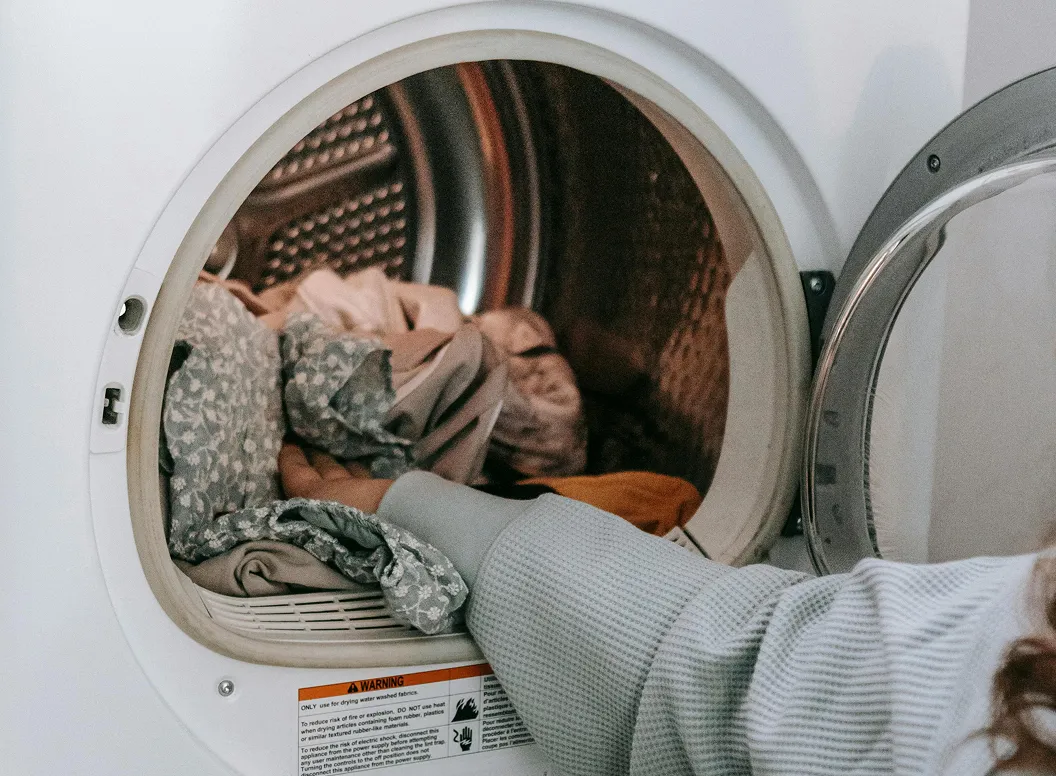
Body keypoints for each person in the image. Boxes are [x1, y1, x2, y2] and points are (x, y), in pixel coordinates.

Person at [281, 444, 1055, 775]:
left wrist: (406, 502)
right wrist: (413, 502)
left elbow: (710, 663)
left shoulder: (988, 671)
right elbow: (731, 663)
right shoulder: (998, 649)